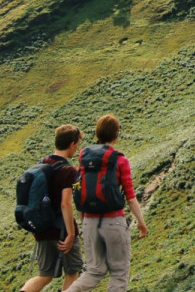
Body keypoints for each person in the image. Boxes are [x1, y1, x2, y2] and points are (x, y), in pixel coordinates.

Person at [64, 115, 149, 292]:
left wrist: (84, 220)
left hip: (89, 222)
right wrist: (141, 223)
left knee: (94, 271)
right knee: (118, 273)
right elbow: (131, 196)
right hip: (113, 221)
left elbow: (78, 188)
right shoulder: (120, 160)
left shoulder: (84, 156)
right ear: (116, 133)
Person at [21, 125, 84, 292]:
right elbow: (66, 203)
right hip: (61, 230)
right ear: (72, 144)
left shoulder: (41, 164)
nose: (76, 148)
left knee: (45, 275)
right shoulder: (68, 170)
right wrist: (71, 233)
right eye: (77, 144)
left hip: (42, 229)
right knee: (72, 272)